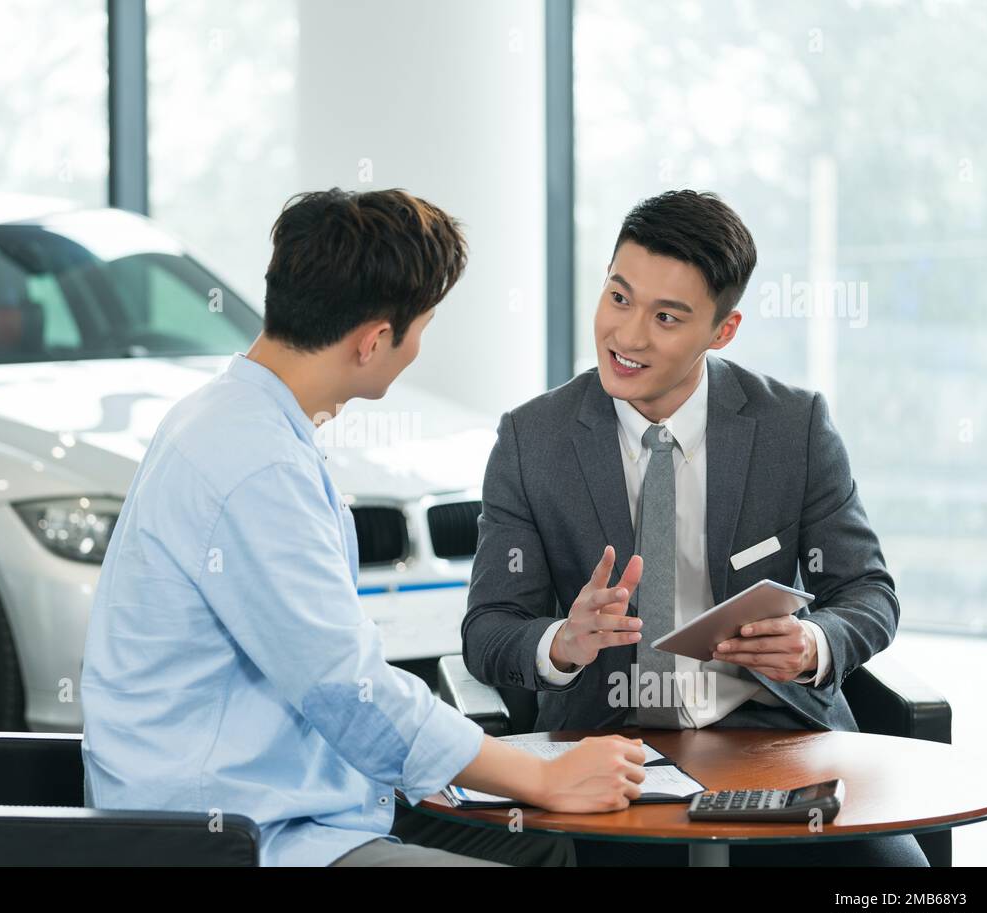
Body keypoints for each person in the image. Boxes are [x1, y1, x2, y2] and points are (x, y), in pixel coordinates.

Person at [80, 187, 646, 867]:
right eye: (422, 328)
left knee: (547, 846)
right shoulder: (254, 463)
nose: (418, 349)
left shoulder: (240, 416)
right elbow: (347, 688)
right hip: (235, 832)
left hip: (294, 794)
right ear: (375, 340)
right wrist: (544, 775)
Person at [462, 189, 927, 866]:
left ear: (723, 329)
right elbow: (487, 630)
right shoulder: (532, 439)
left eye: (667, 316)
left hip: (775, 746)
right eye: (618, 298)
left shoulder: (793, 427)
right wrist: (563, 640)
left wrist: (812, 642)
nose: (627, 335)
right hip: (606, 752)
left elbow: (868, 592)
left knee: (906, 893)